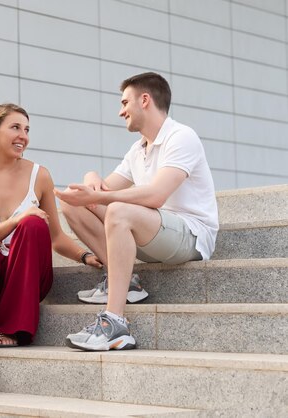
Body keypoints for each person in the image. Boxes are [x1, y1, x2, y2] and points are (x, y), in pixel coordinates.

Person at [0, 103, 102, 395]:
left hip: (25, 278)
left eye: (27, 130)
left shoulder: (39, 175)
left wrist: (86, 255)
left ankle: (10, 327)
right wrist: (15, 220)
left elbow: (55, 236)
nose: (23, 136)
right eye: (15, 127)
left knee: (34, 226)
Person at [54, 72, 218, 351]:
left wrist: (101, 195)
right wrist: (90, 175)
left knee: (118, 211)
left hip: (189, 235)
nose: (121, 111)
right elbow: (101, 191)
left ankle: (115, 323)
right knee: (73, 203)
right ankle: (126, 281)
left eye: (124, 102)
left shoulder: (181, 137)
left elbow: (155, 195)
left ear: (144, 100)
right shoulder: (138, 149)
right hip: (153, 230)